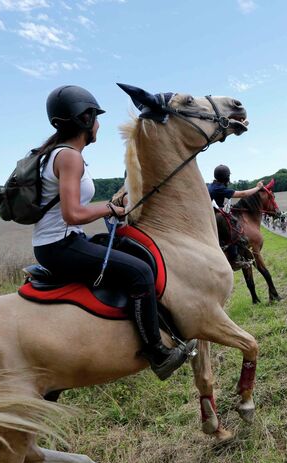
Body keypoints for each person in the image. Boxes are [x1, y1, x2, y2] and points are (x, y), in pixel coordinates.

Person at [31, 86, 195, 381]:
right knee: (139, 272)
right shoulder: (69, 157)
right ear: (85, 119)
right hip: (60, 246)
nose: (98, 125)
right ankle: (157, 353)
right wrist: (110, 210)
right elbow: (72, 214)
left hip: (63, 241)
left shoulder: (57, 154)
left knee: (127, 248)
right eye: (95, 117)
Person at [208, 164, 264, 265]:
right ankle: (235, 258)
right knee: (234, 228)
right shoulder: (219, 188)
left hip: (210, 215)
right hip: (214, 217)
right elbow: (242, 194)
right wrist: (257, 188)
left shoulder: (212, 186)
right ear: (227, 177)